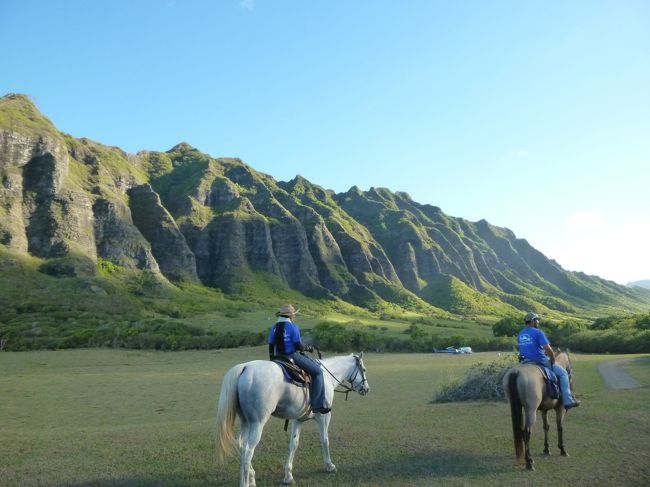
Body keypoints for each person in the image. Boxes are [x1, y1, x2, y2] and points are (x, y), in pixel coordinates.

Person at [268, 304, 330, 414]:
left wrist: (272, 359)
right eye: (294, 315)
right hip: (291, 355)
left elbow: (271, 345)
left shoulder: (274, 327)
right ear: (291, 316)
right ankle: (317, 405)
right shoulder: (293, 327)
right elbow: (298, 346)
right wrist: (308, 348)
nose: (294, 317)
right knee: (318, 372)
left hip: (278, 356)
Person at [517, 312, 581, 410]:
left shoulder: (520, 334)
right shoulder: (538, 332)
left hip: (524, 362)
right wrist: (552, 359)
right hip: (540, 361)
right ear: (533, 321)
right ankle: (568, 401)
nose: (538, 322)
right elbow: (547, 348)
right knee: (563, 373)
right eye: (537, 320)